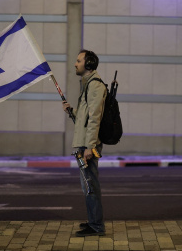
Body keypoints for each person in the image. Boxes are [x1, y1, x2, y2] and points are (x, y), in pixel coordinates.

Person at [62, 49, 107, 237]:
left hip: (87, 147)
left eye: (78, 60)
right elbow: (84, 120)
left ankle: (96, 226)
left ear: (88, 64)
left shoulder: (95, 86)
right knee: (87, 185)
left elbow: (95, 118)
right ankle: (93, 221)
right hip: (82, 145)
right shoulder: (87, 85)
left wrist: (90, 146)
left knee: (90, 184)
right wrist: (72, 112)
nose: (75, 63)